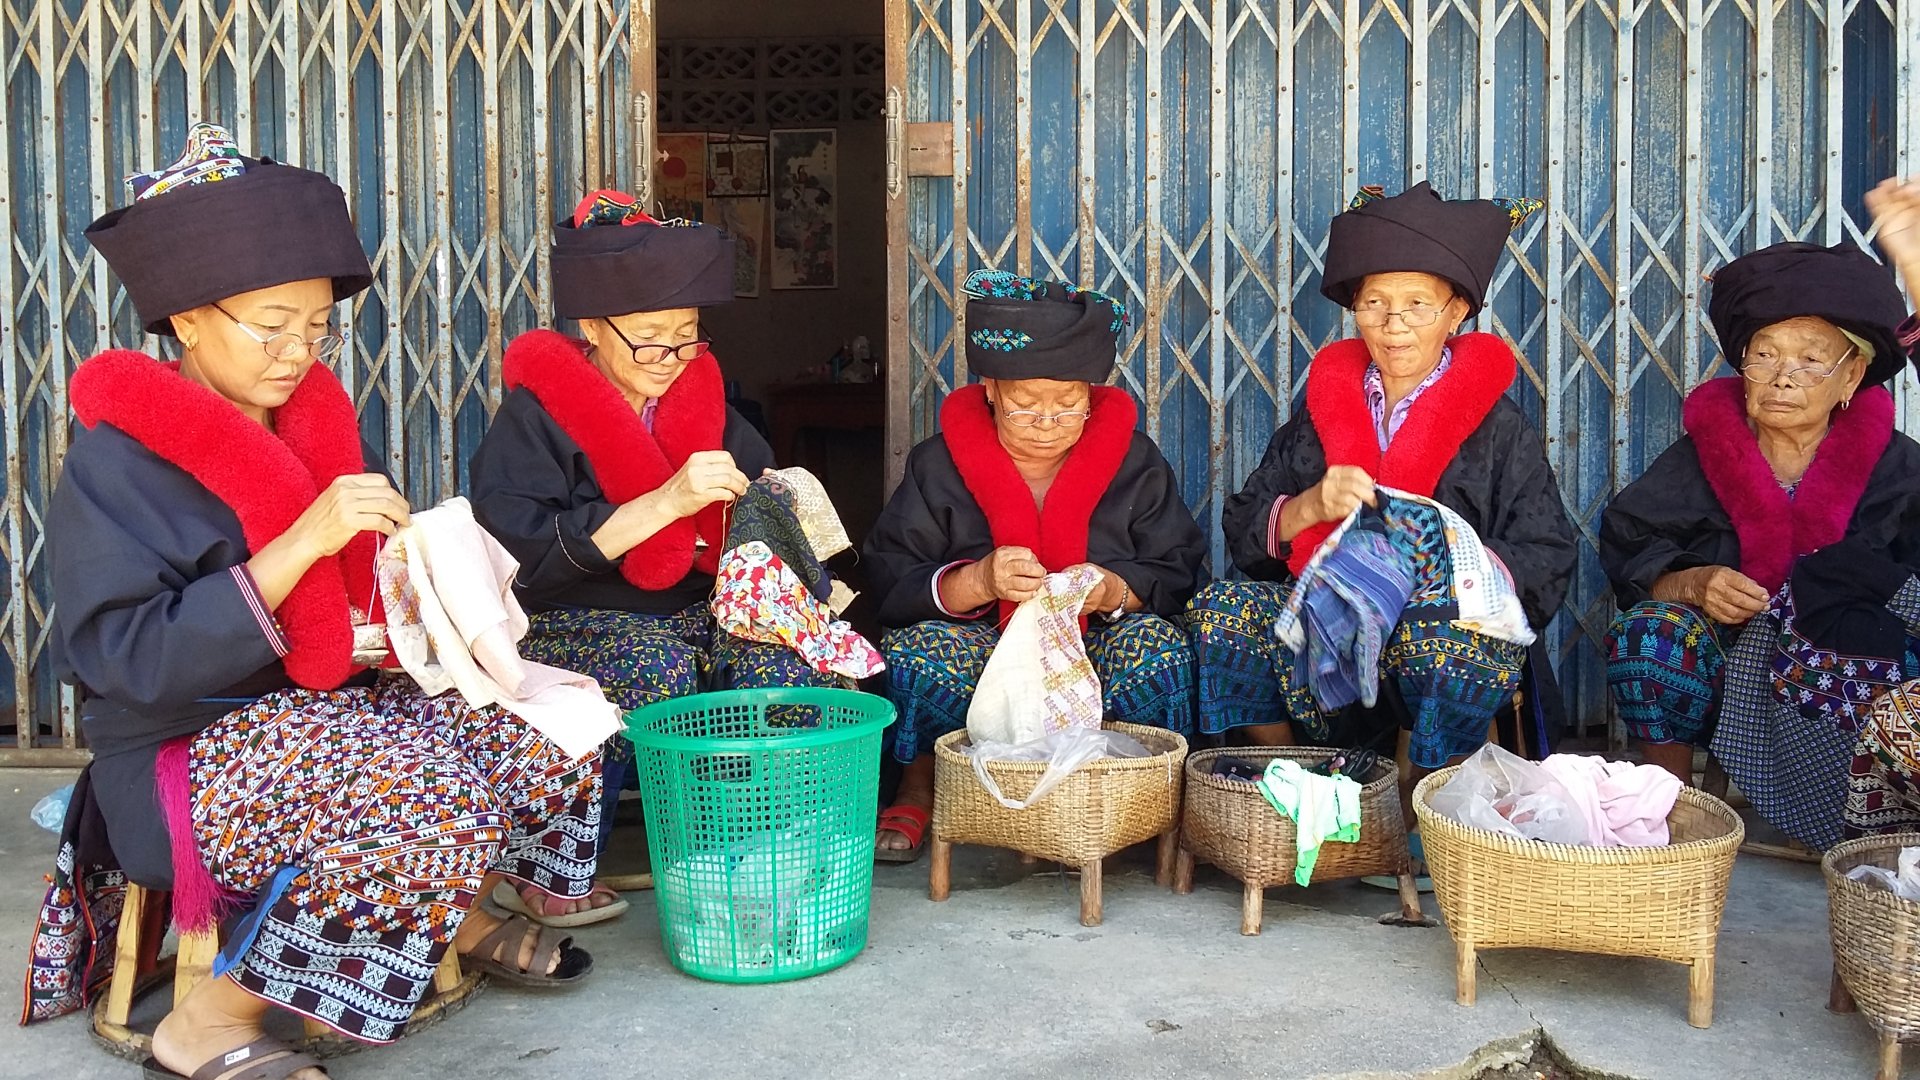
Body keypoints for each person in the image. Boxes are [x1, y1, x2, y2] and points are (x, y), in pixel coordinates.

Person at [24, 125, 599, 1080]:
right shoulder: (113, 465)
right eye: (271, 323)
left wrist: (411, 612)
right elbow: (123, 659)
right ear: (188, 318)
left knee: (555, 723)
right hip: (184, 754)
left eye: (319, 327)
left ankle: (452, 912)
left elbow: (333, 624)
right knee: (415, 792)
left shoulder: (307, 431)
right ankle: (211, 1018)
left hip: (324, 716)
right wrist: (298, 547)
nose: (299, 350)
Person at [469, 190, 841, 919]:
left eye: (687, 335)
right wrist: (664, 505)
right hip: (577, 614)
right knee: (653, 668)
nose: (670, 358)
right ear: (592, 328)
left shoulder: (703, 399)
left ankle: (756, 855)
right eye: (648, 338)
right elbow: (515, 558)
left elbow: (755, 502)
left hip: (699, 607)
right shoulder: (534, 419)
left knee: (788, 662)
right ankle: (547, 870)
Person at [1187, 183, 1577, 820]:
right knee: (1221, 609)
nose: (1394, 324)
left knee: (1449, 640)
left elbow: (1547, 551)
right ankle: (1294, 786)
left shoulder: (1499, 428)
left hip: (1434, 638)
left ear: (1455, 313)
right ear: (1355, 312)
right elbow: (1245, 528)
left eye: (1418, 305)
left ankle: (1411, 805)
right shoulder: (1322, 414)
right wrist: (1311, 505)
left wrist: (1442, 569)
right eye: (1375, 304)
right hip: (1327, 634)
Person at [1602, 181, 1920, 851]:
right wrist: (1690, 584)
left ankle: (1859, 828)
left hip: (1844, 672)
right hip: (1727, 660)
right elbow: (1632, 541)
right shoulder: (1707, 455)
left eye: (1809, 359)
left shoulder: (1897, 466)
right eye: (1765, 354)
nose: (1782, 376)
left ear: (1851, 377)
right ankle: (1671, 824)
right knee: (1650, 635)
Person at [863, 271, 1206, 861]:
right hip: (981, 642)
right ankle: (920, 785)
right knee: (915, 653)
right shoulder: (938, 465)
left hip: (1096, 643)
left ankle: (1148, 802)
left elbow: (1179, 567)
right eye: (1025, 406)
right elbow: (889, 572)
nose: (1048, 423)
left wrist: (1114, 590)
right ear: (992, 389)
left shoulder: (1135, 462)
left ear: (1093, 398)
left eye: (1069, 405)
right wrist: (976, 581)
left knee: (1160, 652)